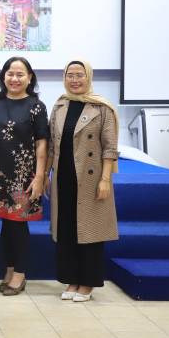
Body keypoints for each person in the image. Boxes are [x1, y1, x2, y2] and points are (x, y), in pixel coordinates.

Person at [48, 60, 119, 302]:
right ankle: (71, 279)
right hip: (63, 176)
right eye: (70, 75)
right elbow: (52, 144)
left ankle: (87, 282)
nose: (75, 80)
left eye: (80, 75)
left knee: (89, 230)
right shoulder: (60, 105)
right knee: (67, 228)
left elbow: (110, 147)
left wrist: (105, 179)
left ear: (88, 77)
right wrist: (46, 175)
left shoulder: (102, 107)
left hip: (90, 178)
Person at [0, 57, 49, 296]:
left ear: (30, 78)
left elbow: (42, 144)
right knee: (6, 224)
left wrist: (39, 177)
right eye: (10, 73)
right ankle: (9, 269)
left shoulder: (36, 106)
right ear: (3, 76)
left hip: (23, 174)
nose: (15, 79)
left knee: (18, 225)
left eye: (20, 74)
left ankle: (20, 273)